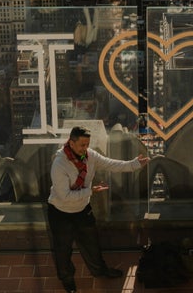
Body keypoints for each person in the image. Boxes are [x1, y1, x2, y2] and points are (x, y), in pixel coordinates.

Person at [47, 125, 149, 293]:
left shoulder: (90, 156)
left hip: (82, 210)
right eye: (81, 145)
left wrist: (135, 164)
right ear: (71, 143)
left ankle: (100, 271)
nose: (85, 148)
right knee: (63, 250)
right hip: (60, 213)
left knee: (92, 244)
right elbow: (64, 196)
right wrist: (90, 191)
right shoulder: (59, 164)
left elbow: (112, 164)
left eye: (87, 144)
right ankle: (67, 280)